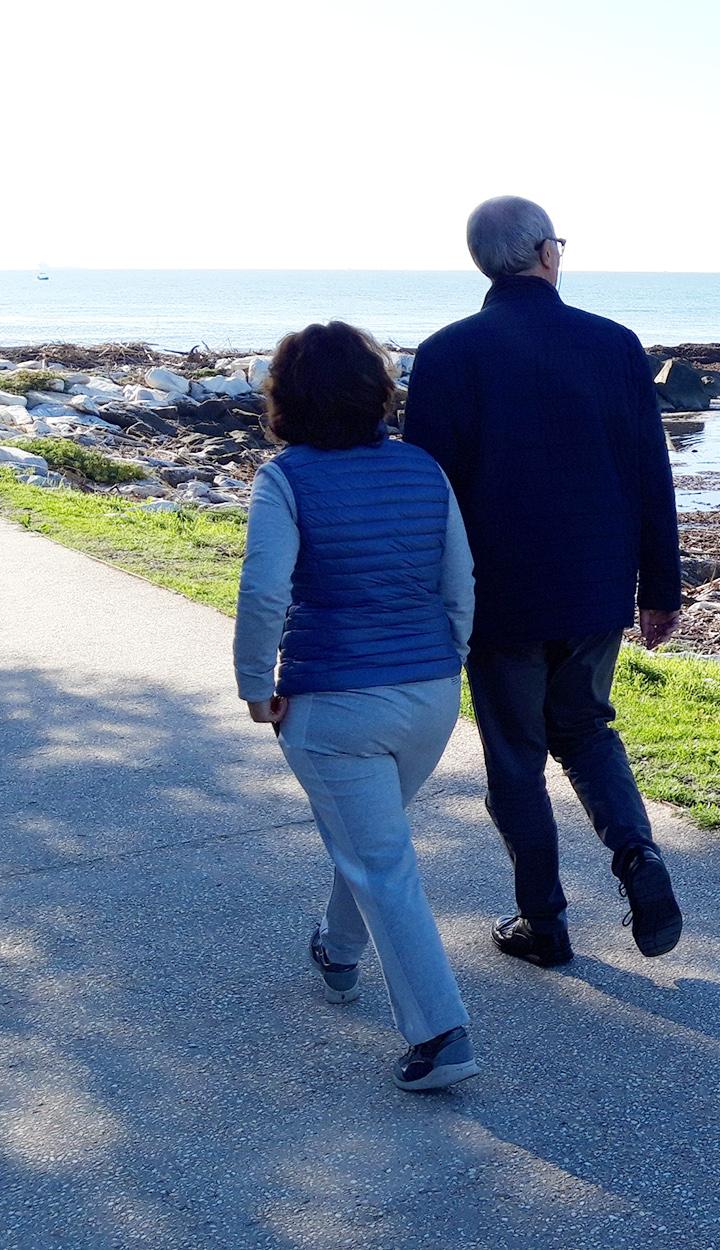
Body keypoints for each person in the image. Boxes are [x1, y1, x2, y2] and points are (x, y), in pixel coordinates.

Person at [404, 196, 685, 969]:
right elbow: (648, 475)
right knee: (587, 729)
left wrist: (424, 601)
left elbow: (429, 495)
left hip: (497, 597)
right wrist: (661, 587)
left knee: (517, 757)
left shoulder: (446, 354)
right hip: (594, 585)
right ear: (543, 252)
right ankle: (638, 859)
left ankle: (545, 922)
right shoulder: (614, 345)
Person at [234, 321, 481, 1091]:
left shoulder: (286, 479)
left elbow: (265, 588)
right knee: (371, 845)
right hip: (431, 698)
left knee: (382, 860)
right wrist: (451, 661)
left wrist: (253, 682)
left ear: (288, 398)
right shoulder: (422, 469)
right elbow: (460, 582)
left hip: (336, 705)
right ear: (376, 391)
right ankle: (337, 952)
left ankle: (441, 1035)